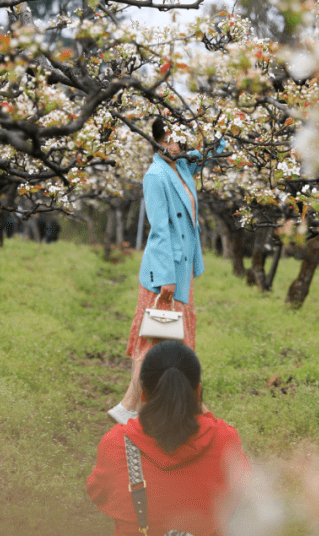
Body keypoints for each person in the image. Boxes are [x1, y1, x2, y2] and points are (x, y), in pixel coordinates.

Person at [108, 118, 220, 424]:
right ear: (158, 141)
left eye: (181, 138)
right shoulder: (156, 175)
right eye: (172, 138)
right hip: (165, 271)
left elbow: (207, 154)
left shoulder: (181, 166)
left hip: (180, 266)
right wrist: (166, 275)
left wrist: (223, 128)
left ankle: (140, 407)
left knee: (166, 337)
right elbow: (159, 230)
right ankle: (137, 407)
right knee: (156, 337)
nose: (179, 144)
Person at [88, 341, 249, 536]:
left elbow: (98, 493)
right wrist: (207, 416)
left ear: (142, 392)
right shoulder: (225, 441)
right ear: (198, 392)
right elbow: (243, 491)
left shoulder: (116, 443)